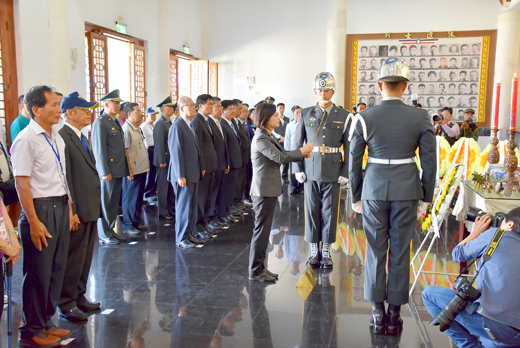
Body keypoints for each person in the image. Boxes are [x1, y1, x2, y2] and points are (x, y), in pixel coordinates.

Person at [349, 58, 436, 336]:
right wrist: (426, 196)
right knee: (400, 250)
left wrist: (356, 195)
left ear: (379, 85)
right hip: (408, 189)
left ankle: (377, 312)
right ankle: (395, 314)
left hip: (373, 189)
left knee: (375, 249)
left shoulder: (364, 116)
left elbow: (353, 161)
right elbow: (430, 162)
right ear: (406, 86)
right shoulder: (421, 117)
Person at [11, 85, 77, 347]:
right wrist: (34, 221)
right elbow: (21, 184)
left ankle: (48, 322)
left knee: (56, 268)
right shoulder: (26, 139)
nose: (59, 109)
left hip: (59, 206)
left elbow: (61, 177)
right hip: (40, 209)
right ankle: (32, 330)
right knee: (38, 271)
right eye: (53, 105)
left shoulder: (56, 137)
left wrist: (69, 208)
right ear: (36, 110)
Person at [423, 209, 520, 348]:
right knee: (491, 340)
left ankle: (470, 346)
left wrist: (476, 232)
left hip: (498, 327)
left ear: (510, 225)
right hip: (515, 334)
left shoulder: (497, 235)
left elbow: (457, 254)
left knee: (429, 294)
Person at [248, 103, 314, 282]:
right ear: (265, 119)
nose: (279, 118)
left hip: (269, 189)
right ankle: (255, 270)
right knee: (261, 231)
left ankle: (261, 267)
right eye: (275, 116)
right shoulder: (261, 137)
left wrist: (300, 154)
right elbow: (280, 157)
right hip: (262, 190)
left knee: (265, 230)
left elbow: (283, 152)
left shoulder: (269, 135)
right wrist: (302, 151)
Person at [293, 72, 351, 269]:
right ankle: (313, 250)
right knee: (311, 211)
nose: (323, 94)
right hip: (310, 169)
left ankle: (326, 249)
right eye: (319, 90)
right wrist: (297, 168)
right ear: (315, 92)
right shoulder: (306, 113)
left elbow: (349, 146)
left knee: (330, 210)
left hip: (333, 169)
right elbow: (297, 143)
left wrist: (346, 171)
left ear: (333, 91)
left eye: (326, 90)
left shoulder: (344, 116)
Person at [57, 92, 101, 322]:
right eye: (84, 110)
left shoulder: (81, 136)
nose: (89, 113)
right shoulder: (63, 137)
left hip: (90, 206)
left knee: (85, 258)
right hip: (78, 209)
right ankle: (66, 302)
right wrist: (72, 210)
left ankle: (79, 296)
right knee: (74, 258)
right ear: (69, 113)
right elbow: (66, 178)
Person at [91, 89, 129, 245]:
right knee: (106, 203)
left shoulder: (113, 121)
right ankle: (104, 234)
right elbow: (99, 150)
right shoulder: (100, 122)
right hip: (109, 171)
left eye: (119, 103)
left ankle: (111, 231)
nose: (119, 105)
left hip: (118, 169)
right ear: (106, 104)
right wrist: (104, 171)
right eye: (116, 103)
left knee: (113, 203)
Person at [168, 96, 203, 249]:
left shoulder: (188, 124)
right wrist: (180, 175)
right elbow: (176, 152)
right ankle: (181, 237)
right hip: (183, 175)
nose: (194, 107)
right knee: (183, 207)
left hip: (192, 172)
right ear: (182, 108)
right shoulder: (177, 126)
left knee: (191, 206)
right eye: (191, 105)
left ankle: (189, 234)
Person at [192, 94, 218, 241]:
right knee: (201, 199)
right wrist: (201, 166)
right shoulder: (197, 121)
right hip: (203, 167)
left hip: (210, 166)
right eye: (209, 104)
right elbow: (198, 147)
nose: (211, 106)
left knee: (208, 198)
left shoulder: (207, 121)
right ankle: (198, 227)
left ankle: (205, 224)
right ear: (200, 105)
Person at [122, 103, 150, 235]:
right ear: (129, 114)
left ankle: (136, 222)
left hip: (141, 168)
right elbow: (125, 151)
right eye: (137, 111)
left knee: (138, 197)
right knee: (131, 198)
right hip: (133, 170)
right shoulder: (126, 129)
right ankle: (128, 224)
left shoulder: (136, 128)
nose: (140, 114)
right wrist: (129, 170)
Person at [207, 97, 230, 230]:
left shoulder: (218, 122)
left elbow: (223, 145)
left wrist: (226, 161)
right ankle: (211, 218)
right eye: (217, 106)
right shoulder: (209, 122)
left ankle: (216, 216)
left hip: (221, 163)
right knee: (213, 192)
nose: (220, 109)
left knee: (219, 192)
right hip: (214, 165)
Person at [219, 101, 242, 224]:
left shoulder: (232, 122)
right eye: (230, 109)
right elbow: (225, 146)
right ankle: (223, 213)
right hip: (230, 163)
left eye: (234, 108)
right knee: (226, 190)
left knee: (232, 189)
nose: (233, 111)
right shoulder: (222, 124)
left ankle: (228, 211)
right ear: (223, 111)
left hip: (236, 161)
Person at [153, 96, 175, 220]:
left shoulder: (168, 122)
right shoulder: (160, 124)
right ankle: (162, 210)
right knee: (163, 187)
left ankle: (170, 208)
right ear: (162, 109)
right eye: (169, 107)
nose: (172, 109)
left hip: (169, 160)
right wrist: (162, 160)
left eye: (172, 107)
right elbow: (159, 143)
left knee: (170, 187)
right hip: (164, 161)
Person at [140, 107, 158, 203]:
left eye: (155, 115)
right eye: (152, 115)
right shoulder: (144, 126)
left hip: (155, 149)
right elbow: (144, 140)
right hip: (149, 149)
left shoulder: (153, 125)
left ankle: (152, 191)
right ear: (147, 115)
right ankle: (146, 193)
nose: (154, 117)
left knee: (154, 172)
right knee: (150, 172)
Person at [284, 105, 302, 195]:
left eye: (300, 112)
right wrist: (287, 150)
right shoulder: (289, 125)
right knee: (293, 170)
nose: (299, 114)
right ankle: (294, 187)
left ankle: (301, 188)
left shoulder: (304, 124)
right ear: (293, 114)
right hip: (292, 151)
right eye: (297, 112)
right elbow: (287, 138)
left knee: (302, 169)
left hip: (302, 151)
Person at [274, 103, 290, 182]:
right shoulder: (274, 118)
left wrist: (285, 138)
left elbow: (289, 131)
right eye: (280, 108)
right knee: (277, 159)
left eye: (283, 108)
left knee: (286, 160)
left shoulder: (288, 119)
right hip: (277, 141)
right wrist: (280, 137)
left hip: (286, 142)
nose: (281, 109)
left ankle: (285, 177)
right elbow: (273, 131)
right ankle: (276, 177)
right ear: (277, 109)